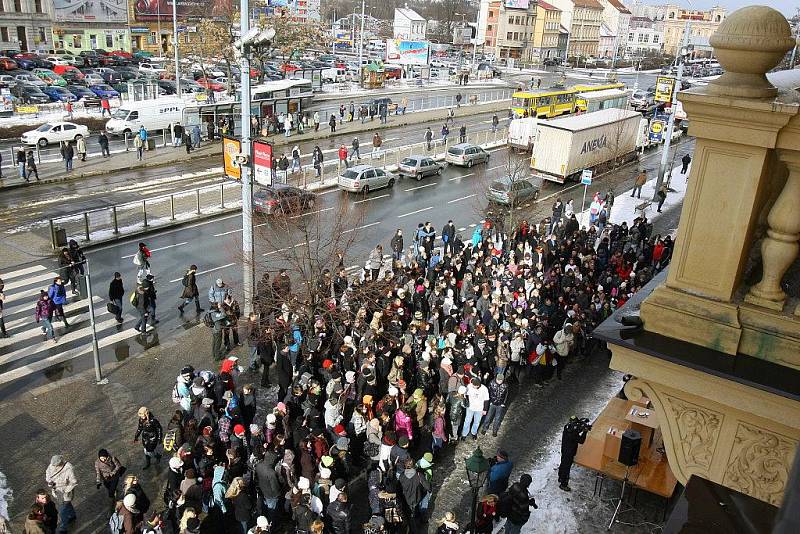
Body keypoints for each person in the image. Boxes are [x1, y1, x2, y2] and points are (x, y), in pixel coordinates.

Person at [45, 454, 78, 533]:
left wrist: (66, 491)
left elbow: (73, 482)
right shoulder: (51, 466)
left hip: (66, 492)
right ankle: (72, 515)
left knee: (62, 510)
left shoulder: (68, 468)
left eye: (56, 465)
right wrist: (49, 482)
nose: (54, 466)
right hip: (57, 491)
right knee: (66, 505)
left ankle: (64, 527)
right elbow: (48, 475)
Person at [558, 416, 589, 491]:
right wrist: (585, 432)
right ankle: (563, 484)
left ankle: (560, 477)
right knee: (566, 468)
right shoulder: (573, 433)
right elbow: (581, 441)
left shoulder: (567, 427)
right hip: (569, 452)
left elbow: (576, 429)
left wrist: (581, 424)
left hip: (564, 450)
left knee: (563, 463)